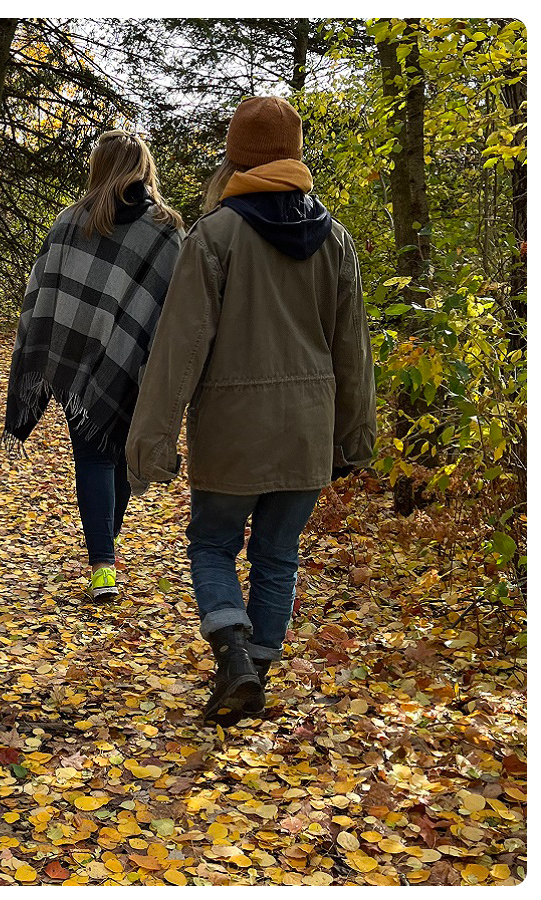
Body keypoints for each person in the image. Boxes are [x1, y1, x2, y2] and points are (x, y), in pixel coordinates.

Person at [126, 97, 376, 725]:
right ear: (296, 153)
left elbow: (180, 346)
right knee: (277, 552)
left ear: (235, 154)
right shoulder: (335, 240)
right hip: (308, 429)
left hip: (234, 431)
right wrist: (355, 435)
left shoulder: (215, 234)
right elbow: (353, 349)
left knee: (212, 544)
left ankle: (233, 654)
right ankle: (256, 671)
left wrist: (151, 440)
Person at [4, 130, 183, 599]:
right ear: (145, 168)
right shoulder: (166, 228)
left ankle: (103, 560)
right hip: (139, 363)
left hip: (78, 359)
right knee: (119, 448)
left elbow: (42, 296)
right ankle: (108, 549)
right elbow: (181, 305)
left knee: (93, 454)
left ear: (98, 168)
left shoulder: (71, 222)